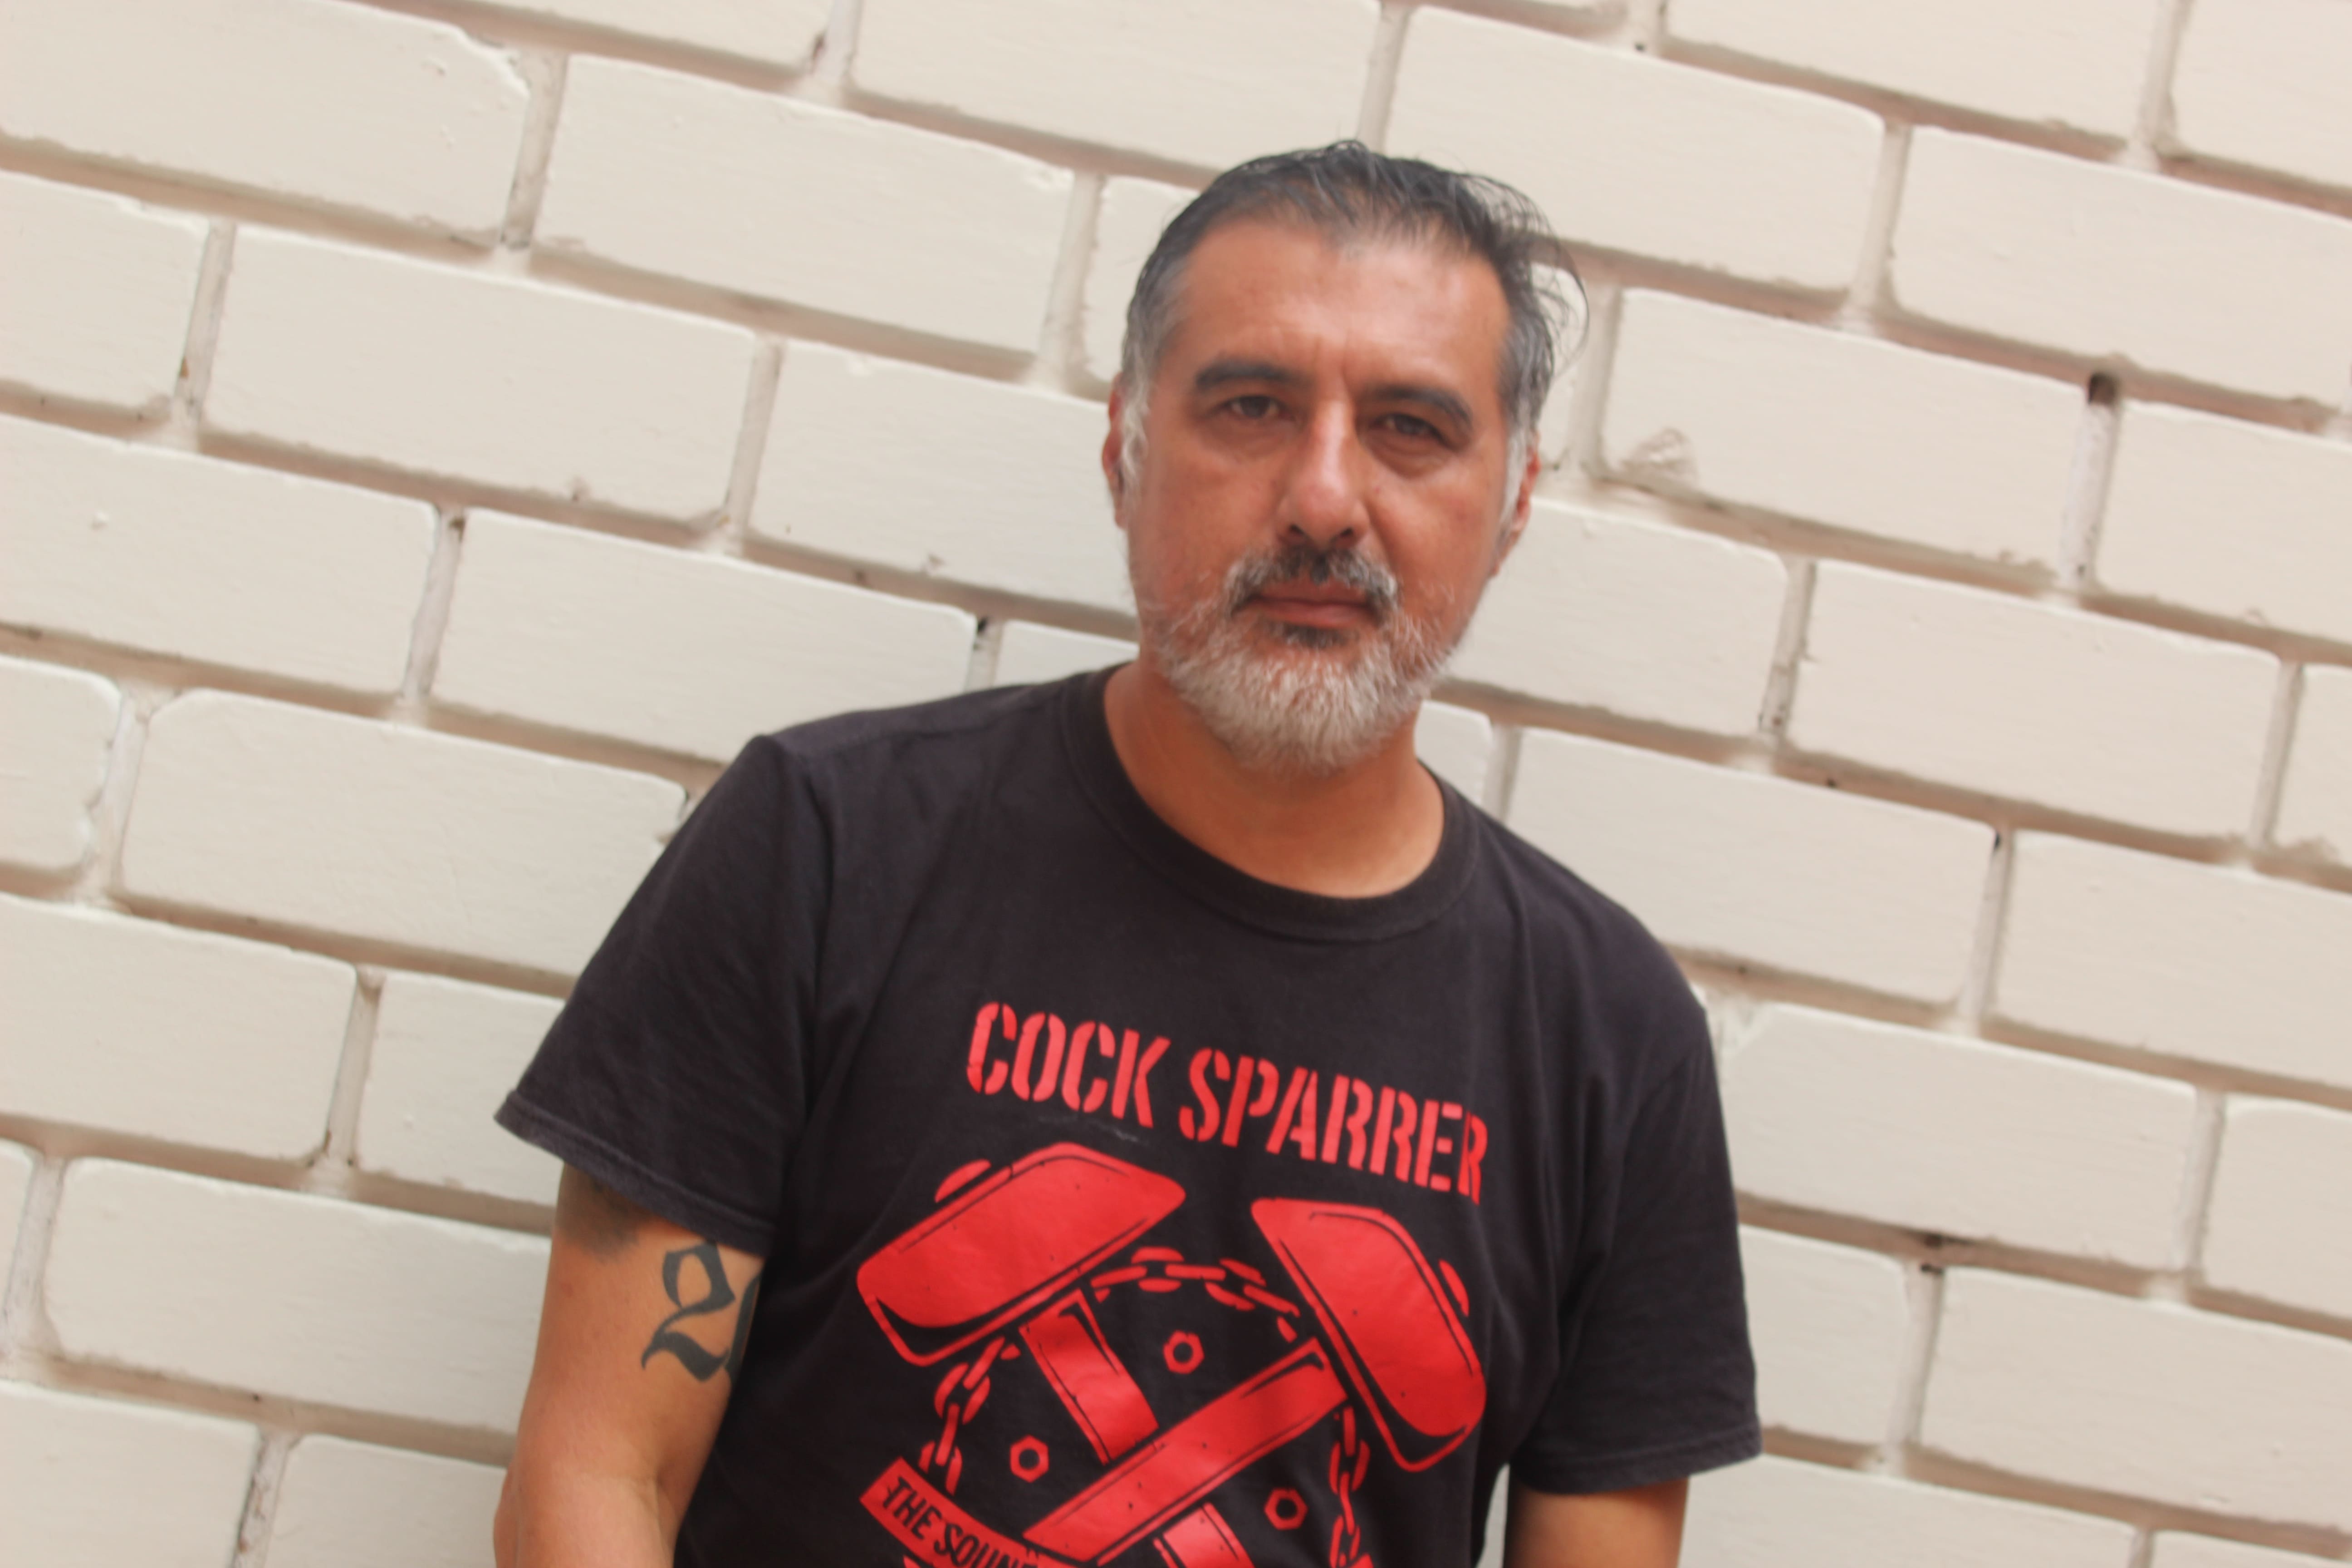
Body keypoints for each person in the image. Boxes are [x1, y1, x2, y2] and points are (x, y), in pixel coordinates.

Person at [492, 142, 1758, 1568]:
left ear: (1512, 501)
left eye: (1410, 427)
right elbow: (593, 1477)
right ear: (1124, 451)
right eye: (1251, 407)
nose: (1324, 500)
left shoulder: (1610, 1041)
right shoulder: (824, 848)